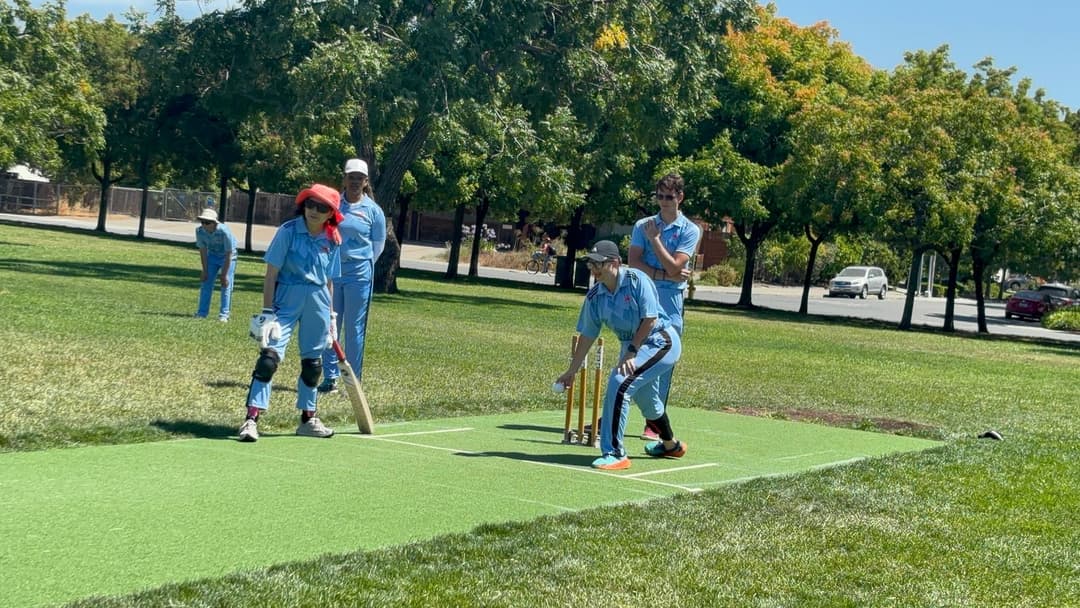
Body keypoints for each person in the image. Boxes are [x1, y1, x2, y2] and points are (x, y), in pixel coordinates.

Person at [554, 240, 686, 470]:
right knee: (649, 404)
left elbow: (650, 318)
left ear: (615, 263)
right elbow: (587, 335)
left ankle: (615, 453)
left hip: (660, 340)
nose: (594, 270)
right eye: (590, 265)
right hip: (632, 347)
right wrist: (571, 371)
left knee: (619, 382)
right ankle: (671, 445)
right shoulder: (595, 296)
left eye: (599, 264)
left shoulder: (637, 281)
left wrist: (632, 352)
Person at [239, 184, 343, 443]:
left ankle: (308, 419)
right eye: (310, 205)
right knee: (269, 358)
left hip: (318, 301)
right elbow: (271, 274)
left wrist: (331, 318)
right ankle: (251, 419)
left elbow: (329, 281)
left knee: (313, 364)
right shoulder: (288, 231)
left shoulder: (333, 239)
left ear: (330, 213)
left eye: (322, 207)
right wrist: (266, 313)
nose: (314, 211)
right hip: (287, 297)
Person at [628, 173, 701, 440]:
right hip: (642, 296)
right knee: (633, 353)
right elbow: (634, 264)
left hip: (671, 303)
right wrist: (663, 275)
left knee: (664, 361)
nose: (663, 202)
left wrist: (656, 240)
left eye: (669, 197)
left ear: (680, 197)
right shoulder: (642, 225)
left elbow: (675, 265)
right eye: (659, 197)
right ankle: (616, 408)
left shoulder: (690, 230)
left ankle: (654, 421)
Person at [317, 158, 387, 392]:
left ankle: (353, 380)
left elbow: (378, 244)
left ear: (366, 182)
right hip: (333, 274)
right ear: (344, 179)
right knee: (330, 323)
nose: (355, 181)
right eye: (351, 177)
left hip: (360, 275)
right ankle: (330, 377)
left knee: (354, 328)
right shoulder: (334, 205)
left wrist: (361, 262)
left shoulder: (373, 211)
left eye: (360, 178)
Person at [193, 207, 237, 322]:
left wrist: (224, 274)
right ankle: (202, 313)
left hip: (227, 257)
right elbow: (203, 251)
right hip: (212, 256)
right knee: (206, 283)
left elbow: (229, 253)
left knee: (225, 284)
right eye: (202, 222)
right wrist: (205, 270)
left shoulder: (224, 232)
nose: (204, 225)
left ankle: (224, 315)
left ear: (214, 223)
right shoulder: (199, 232)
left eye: (207, 222)